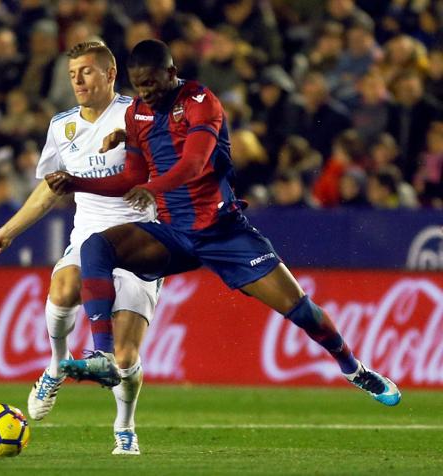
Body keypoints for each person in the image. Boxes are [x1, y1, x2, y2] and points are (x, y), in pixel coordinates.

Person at [45, 39, 401, 408]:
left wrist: (154, 187)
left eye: (151, 82)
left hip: (223, 232)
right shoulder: (137, 114)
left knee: (301, 310)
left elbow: (194, 163)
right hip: (174, 235)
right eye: (138, 85)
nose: (145, 92)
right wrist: (77, 183)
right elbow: (129, 177)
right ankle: (103, 356)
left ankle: (354, 369)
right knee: (95, 246)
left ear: (171, 73)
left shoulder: (201, 102)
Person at [0, 41, 160, 455]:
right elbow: (50, 189)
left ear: (111, 74)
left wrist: (154, 190)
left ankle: (124, 427)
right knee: (62, 289)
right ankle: (58, 362)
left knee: (125, 358)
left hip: (140, 243)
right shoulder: (62, 127)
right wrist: (8, 230)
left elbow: (170, 167)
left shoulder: (139, 116)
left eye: (87, 72)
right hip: (88, 237)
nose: (77, 80)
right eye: (72, 74)